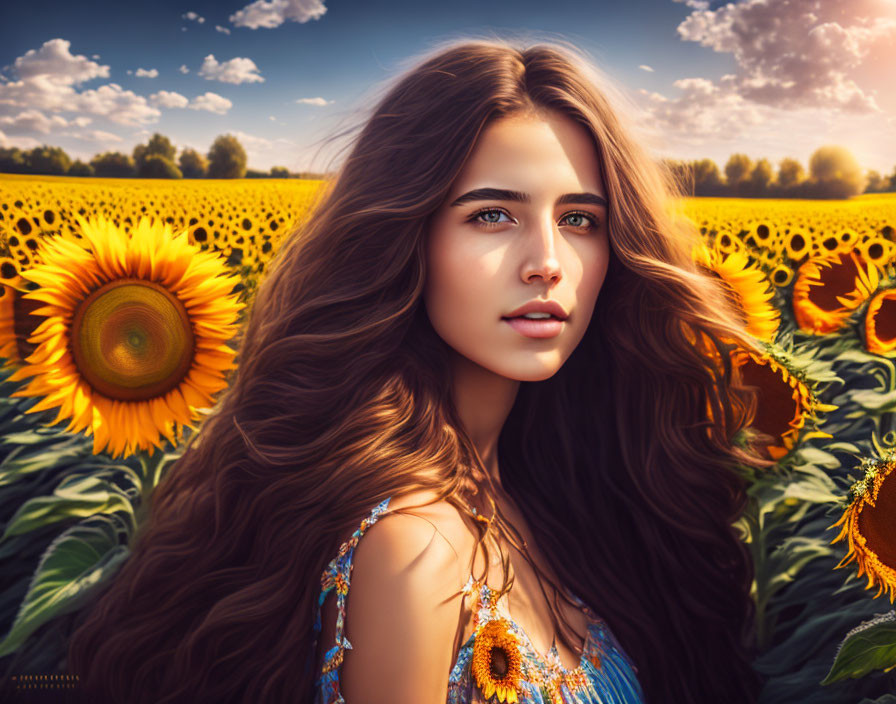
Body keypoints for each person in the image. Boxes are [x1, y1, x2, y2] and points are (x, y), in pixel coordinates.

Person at [66, 36, 772, 704]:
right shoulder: (414, 549)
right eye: (493, 215)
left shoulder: (542, 484)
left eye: (581, 220)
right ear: (407, 236)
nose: (548, 261)